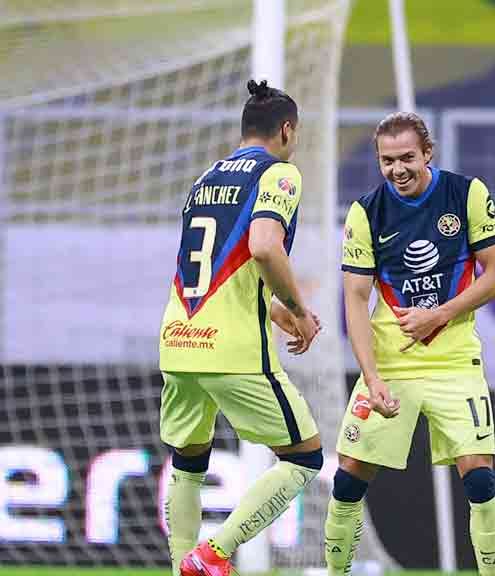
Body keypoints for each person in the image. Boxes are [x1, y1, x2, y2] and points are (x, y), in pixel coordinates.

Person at [326, 112, 495, 576]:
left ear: (428, 153)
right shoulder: (366, 212)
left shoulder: (466, 194)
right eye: (387, 161)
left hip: (455, 364)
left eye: (407, 157)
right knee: (348, 478)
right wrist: (370, 377)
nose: (398, 169)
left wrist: (440, 314)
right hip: (390, 368)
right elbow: (355, 298)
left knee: (480, 476)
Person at [159, 79, 323, 576]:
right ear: (287, 130)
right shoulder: (279, 174)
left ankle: (180, 567)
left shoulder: (204, 179)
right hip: (233, 349)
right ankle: (215, 552)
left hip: (179, 338)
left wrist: (278, 309)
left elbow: (222, 274)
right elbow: (264, 248)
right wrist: (296, 306)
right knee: (304, 458)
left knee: (188, 463)